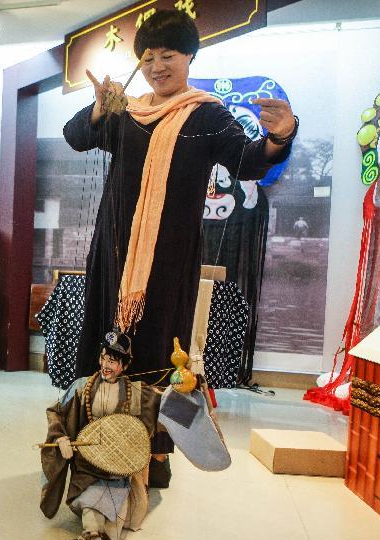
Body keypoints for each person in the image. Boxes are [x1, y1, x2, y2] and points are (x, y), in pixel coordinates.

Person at [64, 10, 297, 486]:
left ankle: (153, 454)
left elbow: (248, 161)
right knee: (105, 339)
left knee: (158, 347)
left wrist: (280, 135)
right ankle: (97, 440)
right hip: (114, 252)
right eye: (148, 57)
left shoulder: (207, 115)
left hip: (169, 259)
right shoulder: (126, 112)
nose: (157, 67)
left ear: (190, 56)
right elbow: (76, 137)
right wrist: (99, 109)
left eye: (168, 55)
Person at [40, 332, 161, 540]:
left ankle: (94, 535)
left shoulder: (135, 392)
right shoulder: (82, 386)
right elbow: (55, 411)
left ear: (124, 366)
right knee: (89, 497)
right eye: (103, 358)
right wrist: (60, 437)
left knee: (114, 526)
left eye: (112, 361)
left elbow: (163, 407)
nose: (106, 365)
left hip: (118, 465)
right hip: (87, 463)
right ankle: (92, 533)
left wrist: (183, 386)